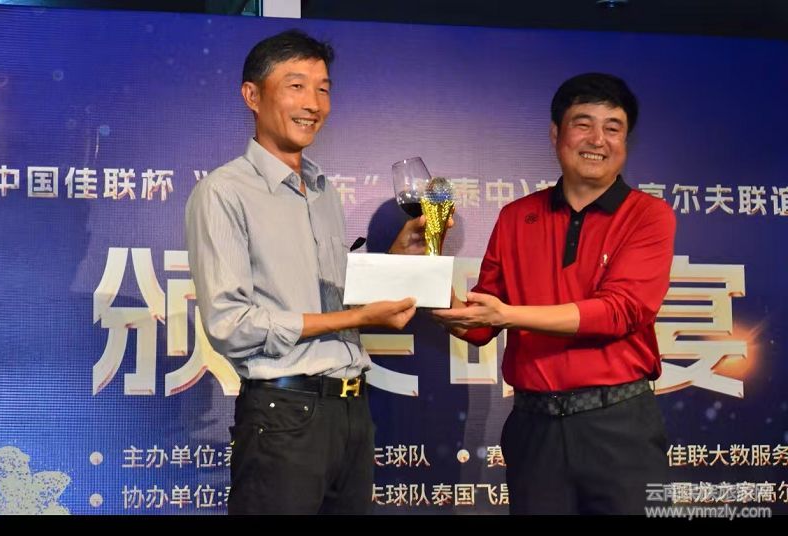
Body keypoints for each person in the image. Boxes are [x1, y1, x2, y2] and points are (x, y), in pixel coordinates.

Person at [185, 29, 425, 515]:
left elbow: (338, 298)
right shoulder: (224, 192)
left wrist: (398, 257)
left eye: (323, 88)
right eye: (296, 86)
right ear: (252, 95)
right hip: (284, 415)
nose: (313, 103)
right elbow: (231, 325)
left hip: (352, 411)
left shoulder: (322, 190)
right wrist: (356, 319)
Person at [433, 73, 676, 514]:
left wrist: (509, 315)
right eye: (583, 124)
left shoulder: (648, 215)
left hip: (619, 426)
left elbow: (619, 312)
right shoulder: (516, 217)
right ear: (555, 134)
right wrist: (424, 274)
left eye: (613, 128)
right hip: (534, 427)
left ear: (626, 141)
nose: (597, 140)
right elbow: (480, 323)